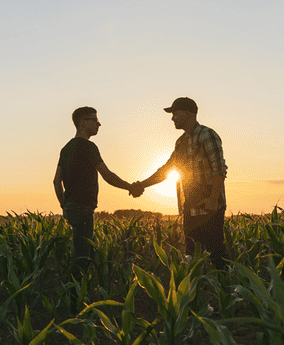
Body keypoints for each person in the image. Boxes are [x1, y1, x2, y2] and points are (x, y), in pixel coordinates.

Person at [134, 97, 228, 269]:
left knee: (217, 256)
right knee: (191, 257)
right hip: (190, 208)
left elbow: (219, 169)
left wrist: (213, 199)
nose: (172, 118)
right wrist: (141, 185)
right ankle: (196, 293)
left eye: (175, 113)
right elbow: (166, 170)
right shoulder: (180, 142)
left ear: (187, 112)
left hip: (210, 207)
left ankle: (227, 291)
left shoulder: (207, 134)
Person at [54, 106, 143, 278]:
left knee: (90, 252)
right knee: (82, 258)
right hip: (83, 208)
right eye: (94, 119)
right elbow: (107, 175)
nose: (99, 124)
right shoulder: (88, 147)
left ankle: (85, 292)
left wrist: (64, 206)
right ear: (82, 122)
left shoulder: (66, 149)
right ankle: (74, 297)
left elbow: (56, 181)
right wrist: (130, 187)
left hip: (73, 207)